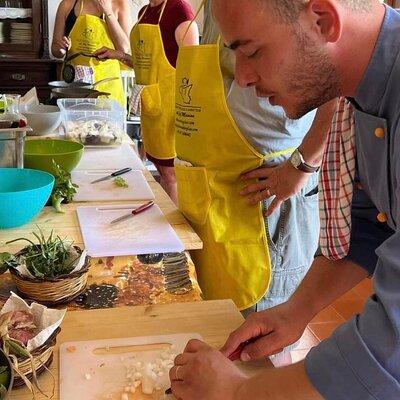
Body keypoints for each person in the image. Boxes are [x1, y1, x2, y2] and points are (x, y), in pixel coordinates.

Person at [168, 1, 400, 399]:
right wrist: (295, 311)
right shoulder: (357, 92)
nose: (241, 77)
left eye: (252, 51)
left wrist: (235, 394)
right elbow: (372, 225)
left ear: (323, 21)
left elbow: (388, 348)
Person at [174, 0, 333, 366]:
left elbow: (337, 86)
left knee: (261, 340)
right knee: (222, 323)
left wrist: (302, 164)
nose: (245, 73)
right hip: (216, 191)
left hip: (267, 190)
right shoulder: (214, 8)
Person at [95, 0, 199, 203]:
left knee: (171, 174)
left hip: (173, 111)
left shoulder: (179, 10)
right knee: (162, 170)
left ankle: (175, 229)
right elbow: (148, 64)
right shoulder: (145, 12)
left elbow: (194, 69)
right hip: (151, 108)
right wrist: (120, 55)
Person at [52, 0, 130, 107]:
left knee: (106, 123)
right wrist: (61, 49)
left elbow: (123, 48)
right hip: (75, 88)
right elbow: (55, 50)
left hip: (107, 86)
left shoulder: (119, 4)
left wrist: (107, 11)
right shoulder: (67, 4)